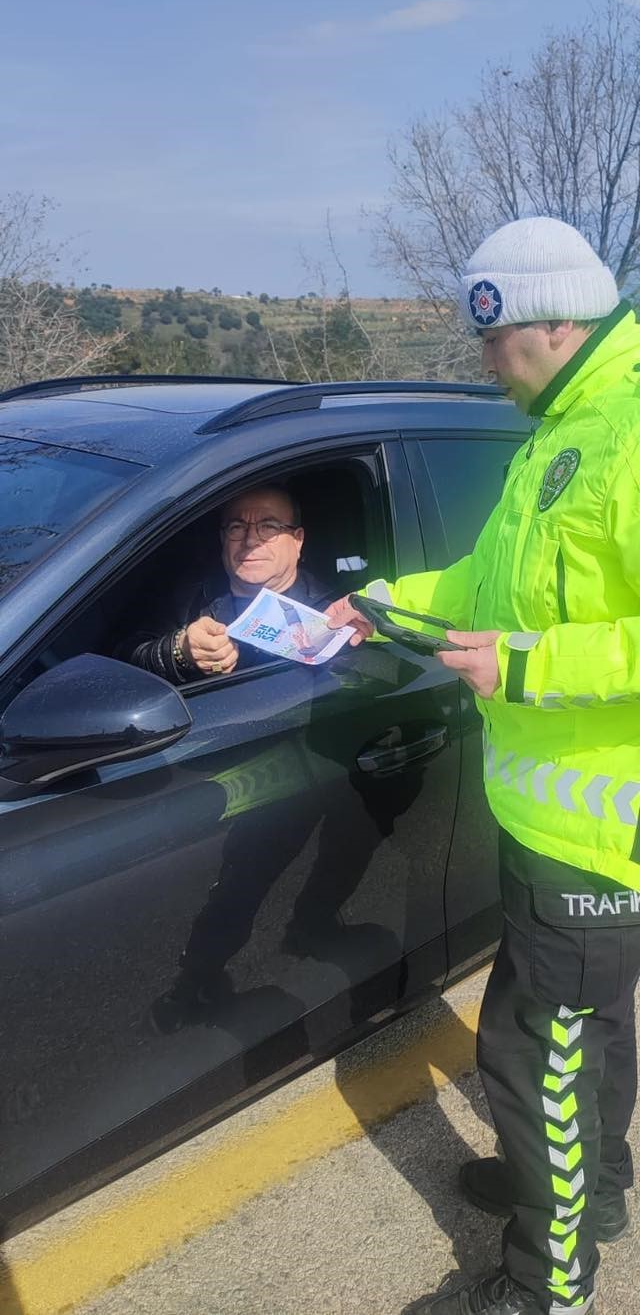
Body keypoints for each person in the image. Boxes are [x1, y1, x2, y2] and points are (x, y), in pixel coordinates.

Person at [328, 216, 640, 1315]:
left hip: (603, 828)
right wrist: (380, 604)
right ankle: (590, 1195)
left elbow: (528, 637)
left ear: (550, 324)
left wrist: (528, 666)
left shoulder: (631, 428)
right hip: (552, 819)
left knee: (532, 1057)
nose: (482, 364)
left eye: (490, 342)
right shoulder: (566, 427)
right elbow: (483, 585)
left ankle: (547, 1287)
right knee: (583, 1035)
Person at [120, 484, 333, 682]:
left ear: (298, 540)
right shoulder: (189, 596)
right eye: (237, 527)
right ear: (223, 539)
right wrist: (179, 651)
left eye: (269, 527)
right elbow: (124, 662)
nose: (250, 540)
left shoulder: (330, 615)